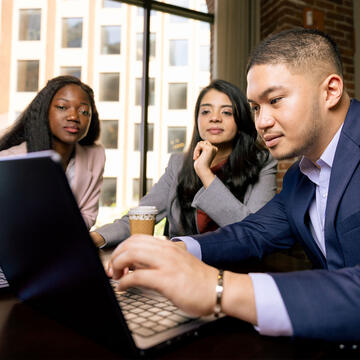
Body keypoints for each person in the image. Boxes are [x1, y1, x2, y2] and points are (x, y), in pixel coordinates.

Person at [107, 28, 360, 342]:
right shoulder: (299, 176)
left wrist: (217, 289)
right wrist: (176, 249)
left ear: (330, 91)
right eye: (255, 107)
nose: (262, 121)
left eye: (275, 100)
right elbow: (253, 232)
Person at [91, 79, 277, 248]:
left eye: (226, 112)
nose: (214, 118)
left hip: (234, 270)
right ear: (197, 119)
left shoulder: (262, 163)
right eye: (205, 111)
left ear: (241, 119)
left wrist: (205, 173)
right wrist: (97, 237)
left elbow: (253, 232)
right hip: (181, 264)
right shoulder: (178, 164)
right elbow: (141, 216)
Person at [0, 75, 105, 230]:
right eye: (62, 107)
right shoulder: (9, 160)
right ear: (44, 111)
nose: (74, 117)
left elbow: (88, 216)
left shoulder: (95, 156)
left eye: (84, 111)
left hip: (66, 247)